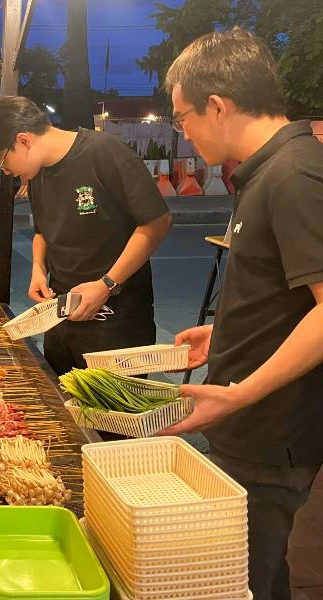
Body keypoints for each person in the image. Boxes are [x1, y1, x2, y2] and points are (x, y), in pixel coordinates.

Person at [158, 29, 323, 600]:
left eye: (183, 118)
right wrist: (223, 330)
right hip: (245, 425)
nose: (183, 131)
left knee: (251, 581)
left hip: (272, 431)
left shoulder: (295, 174)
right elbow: (285, 294)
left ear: (219, 106)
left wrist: (241, 392)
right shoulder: (264, 170)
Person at [0, 96, 172, 375]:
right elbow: (43, 231)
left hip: (117, 325)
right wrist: (38, 270)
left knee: (114, 417)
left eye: (2, 162)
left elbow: (156, 222)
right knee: (62, 410)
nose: (6, 171)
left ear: (24, 140)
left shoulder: (105, 153)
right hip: (61, 319)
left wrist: (106, 285)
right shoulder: (38, 172)